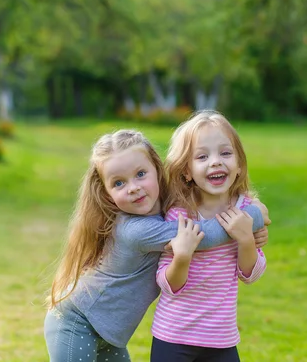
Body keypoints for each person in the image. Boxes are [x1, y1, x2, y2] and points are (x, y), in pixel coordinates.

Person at [43, 129, 270, 362]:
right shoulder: (135, 231)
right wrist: (255, 215)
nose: (133, 187)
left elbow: (201, 208)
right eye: (119, 183)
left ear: (157, 170)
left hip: (107, 333)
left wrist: (250, 234)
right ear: (107, 194)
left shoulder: (166, 209)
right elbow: (202, 236)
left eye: (141, 174)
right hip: (76, 323)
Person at [150, 110, 267, 362]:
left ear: (239, 165)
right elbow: (168, 285)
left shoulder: (246, 210)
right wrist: (182, 256)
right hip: (174, 336)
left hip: (221, 339)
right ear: (187, 171)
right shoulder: (179, 215)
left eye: (225, 153)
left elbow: (251, 274)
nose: (215, 162)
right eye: (202, 156)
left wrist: (246, 239)